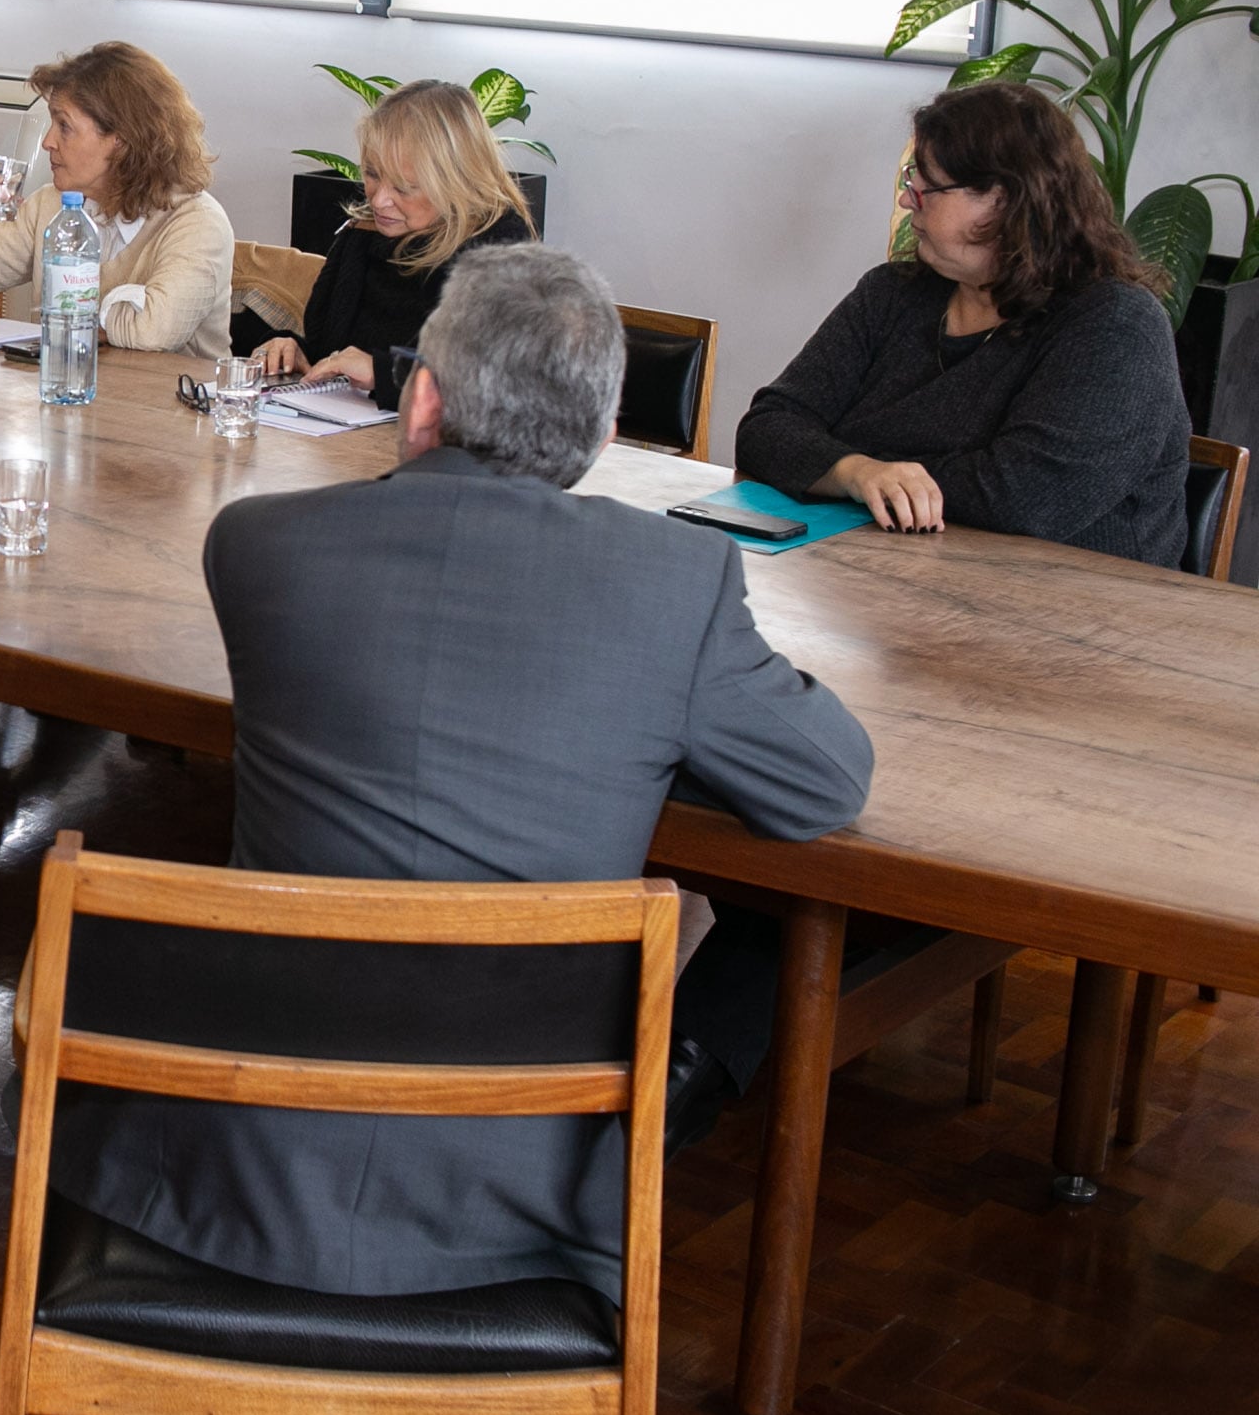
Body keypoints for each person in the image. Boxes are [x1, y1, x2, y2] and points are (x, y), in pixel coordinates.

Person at [51, 245, 873, 1306]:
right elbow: (824, 784)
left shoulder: (258, 546)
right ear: (605, 433)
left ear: (422, 397)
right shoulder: (678, 583)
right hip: (522, 1188)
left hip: (231, 1150)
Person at [737, 80, 1191, 564]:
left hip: (1079, 617)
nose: (908, 200)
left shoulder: (1116, 326)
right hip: (890, 580)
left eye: (925, 184)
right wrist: (857, 471)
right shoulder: (891, 294)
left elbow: (1023, 498)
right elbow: (765, 429)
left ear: (1006, 199)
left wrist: (850, 461)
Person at [0, 41, 237, 357]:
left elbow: (155, 330)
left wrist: (70, 315)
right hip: (65, 392)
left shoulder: (198, 222)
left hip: (172, 405)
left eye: (64, 126)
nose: (47, 142)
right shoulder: (52, 203)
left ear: (121, 140)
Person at [247, 78, 534, 395]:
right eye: (371, 174)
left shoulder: (501, 256)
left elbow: (489, 386)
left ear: (457, 181)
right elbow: (330, 355)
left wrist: (383, 373)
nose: (379, 199)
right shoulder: (362, 235)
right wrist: (293, 351)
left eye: (404, 187)